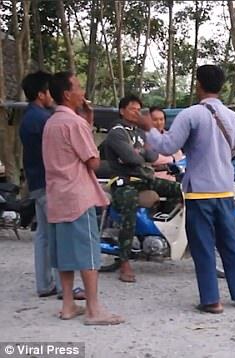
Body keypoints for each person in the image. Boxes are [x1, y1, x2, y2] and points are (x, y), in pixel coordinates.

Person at [135, 64, 235, 313]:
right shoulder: (232, 117)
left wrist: (148, 128)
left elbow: (168, 147)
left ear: (198, 84)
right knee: (231, 244)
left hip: (198, 191)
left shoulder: (190, 115)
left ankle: (212, 300)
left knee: (202, 246)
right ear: (221, 87)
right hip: (224, 189)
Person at [42, 71, 123, 324]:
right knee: (89, 254)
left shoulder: (51, 123)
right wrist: (86, 125)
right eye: (77, 87)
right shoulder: (73, 124)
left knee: (64, 253)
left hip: (57, 195)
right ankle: (93, 309)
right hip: (78, 195)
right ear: (67, 94)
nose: (82, 92)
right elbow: (93, 161)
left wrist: (86, 120)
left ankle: (68, 305)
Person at [101, 95, 183, 283]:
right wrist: (139, 154)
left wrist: (141, 153)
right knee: (129, 204)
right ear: (122, 111)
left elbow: (152, 155)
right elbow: (131, 158)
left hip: (142, 178)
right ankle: (124, 261)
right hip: (122, 181)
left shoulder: (139, 132)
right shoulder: (117, 132)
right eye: (132, 109)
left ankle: (158, 234)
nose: (137, 112)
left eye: (139, 109)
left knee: (178, 190)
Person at [19, 71, 85, 300]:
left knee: (44, 236)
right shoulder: (45, 119)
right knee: (60, 234)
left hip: (36, 181)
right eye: (49, 92)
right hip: (49, 183)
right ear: (41, 94)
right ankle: (63, 287)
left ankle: (44, 284)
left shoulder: (29, 116)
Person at [148, 106, 183, 181]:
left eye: (161, 119)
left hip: (177, 177)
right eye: (155, 120)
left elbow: (179, 156)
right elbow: (151, 159)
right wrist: (170, 160)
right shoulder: (144, 138)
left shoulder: (170, 136)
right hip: (156, 179)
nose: (159, 123)